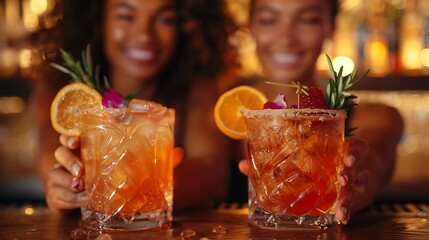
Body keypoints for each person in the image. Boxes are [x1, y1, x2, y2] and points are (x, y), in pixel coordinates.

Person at [30, 0, 238, 214]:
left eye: (164, 19)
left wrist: (137, 188)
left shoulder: (198, 87)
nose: (144, 35)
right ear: (98, 19)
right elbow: (50, 162)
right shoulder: (59, 92)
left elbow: (212, 177)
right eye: (126, 16)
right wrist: (66, 185)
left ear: (184, 26)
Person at [237, 0, 404, 225]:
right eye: (268, 20)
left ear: (330, 28)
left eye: (308, 20)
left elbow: (373, 163)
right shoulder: (226, 115)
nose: (286, 38)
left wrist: (350, 180)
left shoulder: (379, 117)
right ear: (251, 28)